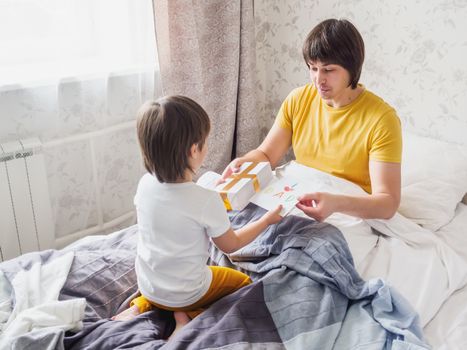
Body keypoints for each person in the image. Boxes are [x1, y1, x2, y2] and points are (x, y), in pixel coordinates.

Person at [112, 95, 282, 339]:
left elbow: (173, 215)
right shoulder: (205, 200)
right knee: (244, 284)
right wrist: (266, 221)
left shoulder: (145, 184)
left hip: (149, 284)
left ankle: (141, 305)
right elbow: (231, 246)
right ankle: (189, 318)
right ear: (194, 150)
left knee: (168, 279)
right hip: (188, 291)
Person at [220, 18, 402, 222]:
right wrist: (244, 163)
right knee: (226, 222)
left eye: (328, 70)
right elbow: (266, 154)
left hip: (347, 210)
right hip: (297, 195)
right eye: (312, 68)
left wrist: (336, 203)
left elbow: (387, 203)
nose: (318, 79)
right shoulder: (298, 99)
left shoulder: (382, 120)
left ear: (353, 68)